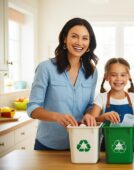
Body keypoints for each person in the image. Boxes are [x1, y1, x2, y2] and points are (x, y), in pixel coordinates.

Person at [27, 18, 98, 150]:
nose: (79, 42)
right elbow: (33, 108)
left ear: (89, 43)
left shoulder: (92, 72)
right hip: (48, 145)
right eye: (74, 36)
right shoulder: (45, 68)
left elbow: (89, 105)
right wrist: (56, 116)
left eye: (85, 38)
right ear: (65, 38)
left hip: (81, 144)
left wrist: (89, 114)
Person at [89, 57, 134, 150]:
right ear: (106, 77)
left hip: (129, 146)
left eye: (123, 75)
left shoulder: (133, 98)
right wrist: (104, 116)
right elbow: (92, 120)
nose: (118, 79)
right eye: (114, 75)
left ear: (128, 77)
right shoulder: (101, 98)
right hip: (107, 146)